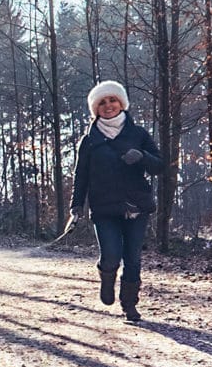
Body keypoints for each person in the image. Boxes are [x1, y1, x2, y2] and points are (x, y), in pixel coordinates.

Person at [67, 80, 164, 323]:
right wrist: (76, 206)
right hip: (104, 208)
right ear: (95, 109)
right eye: (102, 102)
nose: (108, 105)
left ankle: (129, 305)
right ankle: (106, 277)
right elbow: (81, 175)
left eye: (112, 100)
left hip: (136, 207)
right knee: (111, 254)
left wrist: (142, 156)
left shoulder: (138, 134)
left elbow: (159, 166)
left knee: (133, 258)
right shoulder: (89, 140)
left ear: (122, 103)